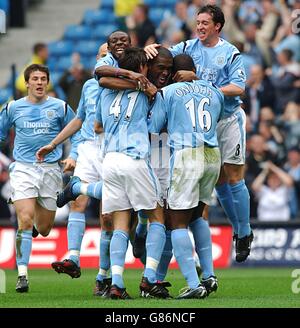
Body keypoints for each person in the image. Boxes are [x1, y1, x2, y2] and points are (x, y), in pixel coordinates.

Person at [145, 4, 253, 263]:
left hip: (227, 119)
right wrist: (150, 49)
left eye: (205, 23)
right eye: (198, 22)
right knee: (219, 181)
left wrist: (203, 84)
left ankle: (244, 232)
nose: (200, 27)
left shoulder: (229, 52)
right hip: (204, 123)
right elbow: (163, 56)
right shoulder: (187, 47)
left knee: (235, 176)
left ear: (218, 26)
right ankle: (236, 230)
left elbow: (238, 87)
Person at [36, 33, 133, 297]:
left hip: (112, 148)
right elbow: (80, 120)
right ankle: (74, 257)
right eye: (101, 55)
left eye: (108, 55)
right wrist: (55, 144)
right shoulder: (90, 86)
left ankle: (103, 275)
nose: (104, 59)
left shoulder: (123, 83)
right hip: (90, 147)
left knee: (108, 216)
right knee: (77, 202)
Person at [95, 47, 169, 299]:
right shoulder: (147, 92)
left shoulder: (104, 91)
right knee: (157, 216)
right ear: (142, 69)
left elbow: (97, 120)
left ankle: (116, 283)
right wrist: (152, 95)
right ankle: (149, 279)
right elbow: (155, 127)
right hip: (134, 157)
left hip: (110, 160)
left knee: (120, 224)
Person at [148, 53, 224, 299]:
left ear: (174, 74)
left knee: (176, 222)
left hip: (186, 155)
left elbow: (154, 127)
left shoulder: (168, 92)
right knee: (197, 216)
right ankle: (209, 275)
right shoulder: (214, 90)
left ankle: (193, 284)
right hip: (212, 155)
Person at [0, 64, 80, 293]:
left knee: (44, 229)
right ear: (26, 83)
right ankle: (22, 275)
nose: (39, 82)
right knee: (24, 219)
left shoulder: (60, 107)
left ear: (48, 82)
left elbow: (78, 132)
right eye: (34, 78)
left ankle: (37, 225)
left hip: (50, 171)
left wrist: (73, 156)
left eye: (43, 78)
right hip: (23, 168)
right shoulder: (13, 108)